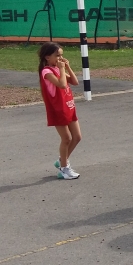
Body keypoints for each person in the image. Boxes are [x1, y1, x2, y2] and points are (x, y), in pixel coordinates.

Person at [38, 42, 81, 180]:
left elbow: (75, 82)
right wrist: (62, 69)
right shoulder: (47, 72)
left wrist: (67, 67)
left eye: (62, 55)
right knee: (66, 138)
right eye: (57, 56)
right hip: (58, 109)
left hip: (68, 106)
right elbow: (62, 85)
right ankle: (64, 169)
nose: (60, 58)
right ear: (47, 57)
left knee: (77, 137)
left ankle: (62, 160)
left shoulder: (58, 69)